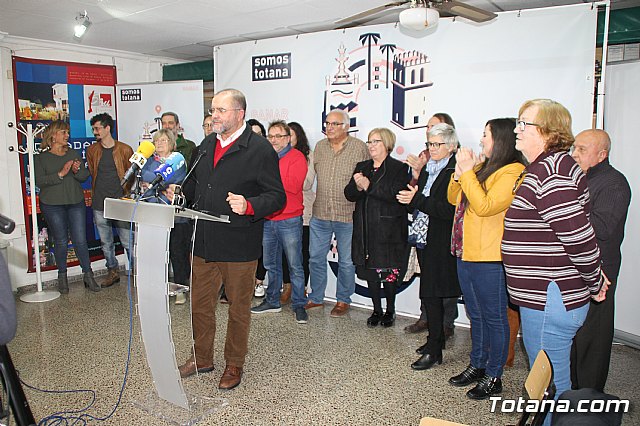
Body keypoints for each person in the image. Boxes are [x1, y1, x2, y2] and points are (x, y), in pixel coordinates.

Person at [168, 89, 285, 390]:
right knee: (201, 305)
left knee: (238, 309)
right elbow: (194, 184)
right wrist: (180, 194)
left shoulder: (259, 149)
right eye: (212, 110)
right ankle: (202, 357)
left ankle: (234, 364)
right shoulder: (206, 144)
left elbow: (276, 197)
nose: (214, 115)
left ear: (239, 113)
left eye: (220, 110)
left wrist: (249, 205)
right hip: (204, 241)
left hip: (238, 244)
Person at [501, 99, 608, 418]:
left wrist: (594, 280)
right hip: (547, 297)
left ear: (548, 131)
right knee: (549, 382)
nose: (517, 130)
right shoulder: (548, 167)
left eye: (524, 124)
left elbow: (578, 237)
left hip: (552, 297)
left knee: (550, 386)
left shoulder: (552, 172)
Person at [446, 118, 525, 399]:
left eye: (486, 135)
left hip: (491, 258)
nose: (481, 141)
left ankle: (494, 375)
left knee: (495, 318)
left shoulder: (514, 171)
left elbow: (485, 206)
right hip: (466, 252)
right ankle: (477, 364)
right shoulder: (482, 167)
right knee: (476, 315)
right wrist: (461, 172)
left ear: (501, 139)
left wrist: (469, 173)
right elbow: (453, 197)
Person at [570, 129, 631, 392]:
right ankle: (571, 391)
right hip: (576, 268)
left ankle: (589, 400)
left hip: (599, 272)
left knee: (593, 339)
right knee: (575, 336)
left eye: (582, 149)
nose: (574, 154)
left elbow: (603, 227)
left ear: (601, 154)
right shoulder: (580, 179)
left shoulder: (613, 183)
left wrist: (567, 213)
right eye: (574, 148)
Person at [397, 123, 459, 371]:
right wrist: (409, 200)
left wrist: (417, 199)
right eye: (429, 143)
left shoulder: (455, 172)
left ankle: (434, 349)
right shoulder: (428, 169)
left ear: (452, 146)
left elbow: (448, 210)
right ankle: (435, 340)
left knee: (433, 294)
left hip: (442, 240)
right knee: (430, 293)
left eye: (437, 144)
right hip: (423, 238)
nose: (432, 149)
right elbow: (418, 203)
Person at [306, 109, 369, 317]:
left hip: (347, 214)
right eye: (327, 123)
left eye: (334, 124)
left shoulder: (359, 148)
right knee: (315, 257)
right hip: (321, 212)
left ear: (346, 127)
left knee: (346, 261)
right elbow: (308, 179)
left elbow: (368, 178)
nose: (329, 128)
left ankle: (343, 299)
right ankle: (316, 297)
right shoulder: (320, 147)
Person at [345, 128, 410, 327]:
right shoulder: (362, 166)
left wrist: (368, 186)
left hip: (388, 229)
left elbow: (394, 194)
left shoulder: (399, 168)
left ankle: (390, 310)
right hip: (365, 228)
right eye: (369, 141)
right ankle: (376, 310)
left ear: (387, 144)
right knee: (370, 271)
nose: (371, 146)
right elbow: (349, 194)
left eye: (376, 141)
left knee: (389, 271)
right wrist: (357, 187)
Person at [250, 121, 308, 323]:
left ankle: (299, 304)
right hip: (268, 218)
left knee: (295, 265)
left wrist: (267, 181)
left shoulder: (297, 157)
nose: (274, 140)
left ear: (288, 138)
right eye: (271, 136)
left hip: (290, 219)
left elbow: (292, 186)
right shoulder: (265, 157)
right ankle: (272, 300)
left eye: (279, 136)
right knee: (270, 264)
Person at [34, 121, 100, 293]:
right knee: (61, 241)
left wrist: (78, 170)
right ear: (52, 136)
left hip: (75, 202)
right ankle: (62, 276)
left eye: (67, 132)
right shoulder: (41, 158)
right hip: (52, 205)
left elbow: (85, 175)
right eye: (63, 132)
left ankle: (88, 275)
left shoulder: (73, 153)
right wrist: (61, 174)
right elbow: (40, 181)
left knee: (80, 240)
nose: (67, 135)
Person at [87, 113, 134, 288]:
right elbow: (93, 172)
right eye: (93, 129)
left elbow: (132, 175)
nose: (95, 132)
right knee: (105, 242)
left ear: (107, 128)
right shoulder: (92, 151)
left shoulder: (125, 149)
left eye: (97, 128)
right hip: (100, 203)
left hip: (121, 202)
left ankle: (137, 272)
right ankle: (112, 271)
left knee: (128, 241)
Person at [162, 112, 196, 305]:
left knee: (179, 250)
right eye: (164, 123)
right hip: (159, 207)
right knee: (163, 250)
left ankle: (181, 287)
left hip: (181, 208)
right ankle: (163, 286)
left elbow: (192, 176)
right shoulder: (153, 151)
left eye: (170, 123)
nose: (167, 126)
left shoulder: (189, 147)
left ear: (177, 125)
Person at [280, 121, 315, 304]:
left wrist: (286, 178)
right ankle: (287, 286)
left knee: (301, 254)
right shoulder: (277, 155)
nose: (286, 139)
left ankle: (300, 290)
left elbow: (305, 183)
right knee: (284, 255)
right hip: (281, 211)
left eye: (290, 135)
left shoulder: (307, 156)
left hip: (304, 212)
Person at [247, 118, 269, 298]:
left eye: (259, 134)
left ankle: (259, 282)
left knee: (262, 249)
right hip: (242, 211)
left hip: (262, 209)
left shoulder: (266, 154)